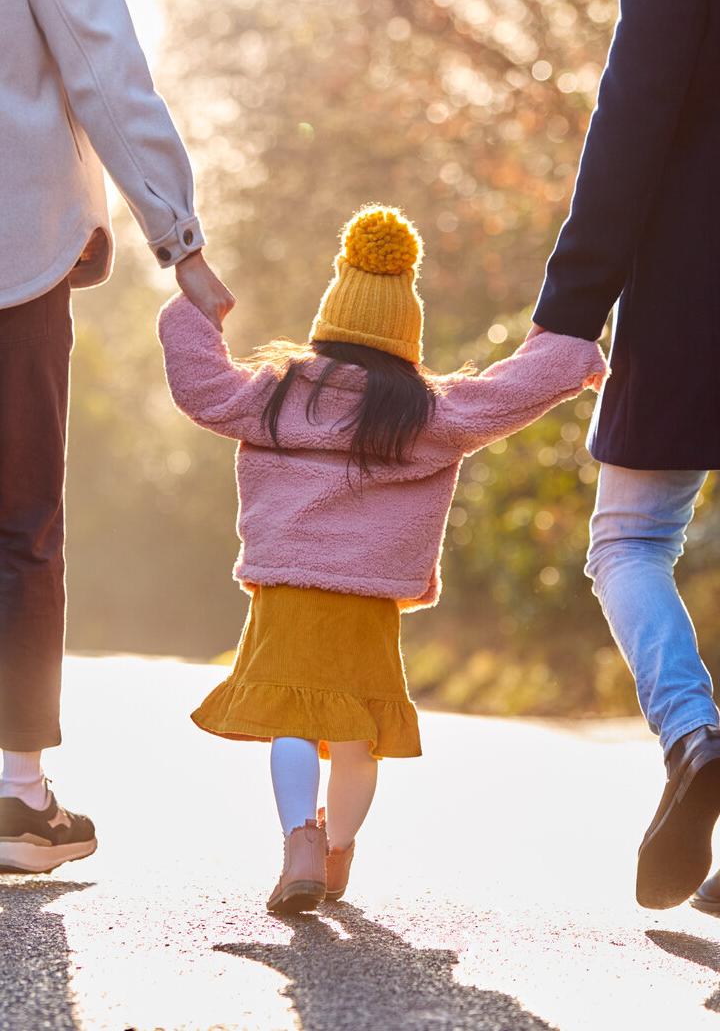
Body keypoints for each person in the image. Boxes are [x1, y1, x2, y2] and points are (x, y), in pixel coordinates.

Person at [158, 205, 605, 913]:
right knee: (358, 736)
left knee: (291, 721)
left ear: (329, 321)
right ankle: (336, 855)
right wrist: (569, 348)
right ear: (406, 333)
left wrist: (193, 313)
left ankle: (298, 838)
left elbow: (201, 388)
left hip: (288, 591)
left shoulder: (276, 394)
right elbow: (511, 392)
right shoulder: (427, 413)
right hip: (368, 601)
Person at [0, 0, 234, 873]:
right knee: (19, 523)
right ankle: (17, 797)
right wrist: (179, 238)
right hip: (13, 260)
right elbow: (102, 62)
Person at [528, 0, 720, 910]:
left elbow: (635, 113)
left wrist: (569, 309)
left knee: (631, 541)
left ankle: (695, 737)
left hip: (697, 288)